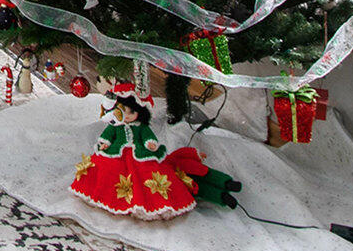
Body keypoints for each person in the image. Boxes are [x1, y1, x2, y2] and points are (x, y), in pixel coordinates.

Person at [70, 83, 237, 220]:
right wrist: (104, 143)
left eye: (132, 112)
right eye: (124, 112)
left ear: (139, 112)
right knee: (107, 172)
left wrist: (150, 144)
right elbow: (107, 136)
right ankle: (108, 198)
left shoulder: (141, 127)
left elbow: (148, 137)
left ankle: (148, 203)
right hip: (116, 154)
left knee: (149, 177)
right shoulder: (116, 126)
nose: (127, 116)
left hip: (141, 156)